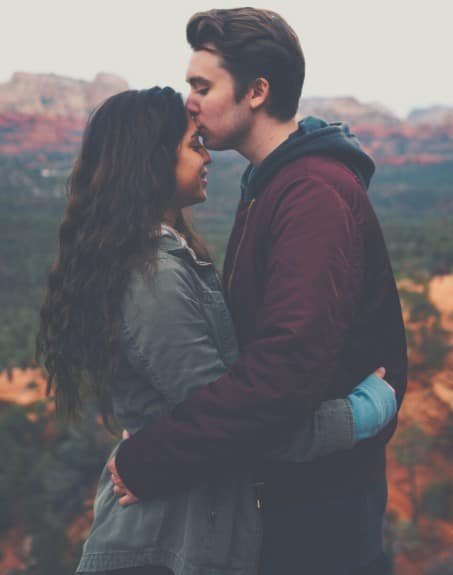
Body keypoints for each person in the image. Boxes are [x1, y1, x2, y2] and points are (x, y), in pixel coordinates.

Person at [36, 86, 398, 575]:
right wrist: (358, 415)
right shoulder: (154, 279)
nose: (207, 156)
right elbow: (237, 425)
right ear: (153, 161)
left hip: (179, 532)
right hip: (161, 547)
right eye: (194, 145)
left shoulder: (164, 259)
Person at [110, 7, 408, 575]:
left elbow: (282, 373)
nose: (189, 101)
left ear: (257, 91)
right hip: (288, 496)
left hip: (321, 515)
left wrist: (151, 456)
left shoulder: (312, 192)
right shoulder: (272, 186)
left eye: (202, 85)